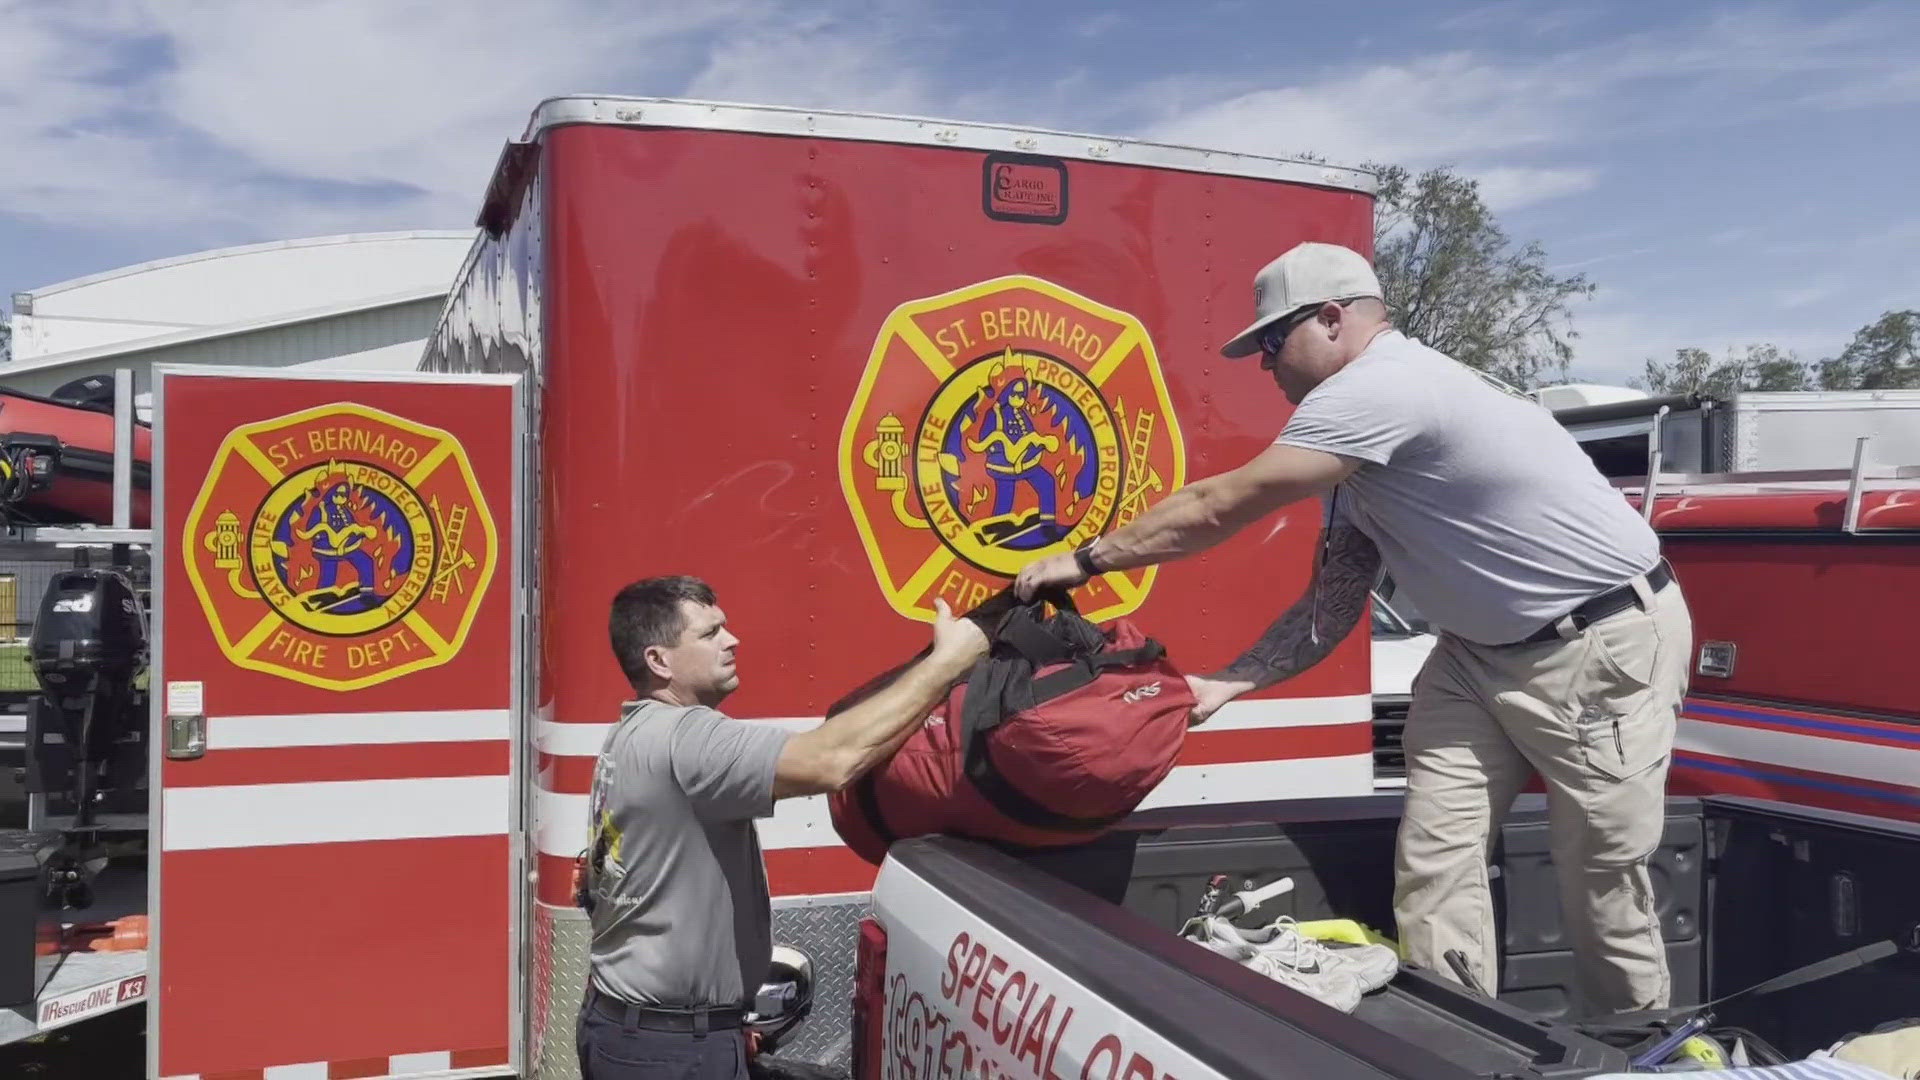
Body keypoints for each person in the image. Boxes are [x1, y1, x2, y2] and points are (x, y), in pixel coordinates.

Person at [1014, 241, 1692, 1017]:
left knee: (1599, 876)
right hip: (1477, 655)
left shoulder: (1382, 387)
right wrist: (1226, 684)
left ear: (1332, 320)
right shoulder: (1364, 446)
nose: (1263, 365)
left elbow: (1217, 506)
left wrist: (1088, 559)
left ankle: (1648, 1049)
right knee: (1434, 858)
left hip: (1601, 643)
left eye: (1271, 342)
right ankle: (1460, 1045)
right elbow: (1334, 599)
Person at [578, 575, 989, 1079]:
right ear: (658, 661)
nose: (733, 641)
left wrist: (722, 1023)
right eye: (709, 634)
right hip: (670, 1048)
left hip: (636, 1027)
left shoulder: (630, 733)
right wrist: (947, 666)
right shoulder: (686, 738)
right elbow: (833, 761)